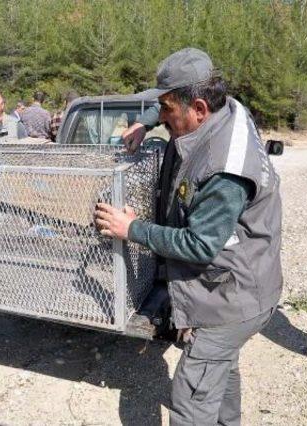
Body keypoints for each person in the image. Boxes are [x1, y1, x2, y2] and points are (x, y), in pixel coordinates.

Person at [95, 48, 283, 425]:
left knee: (191, 398)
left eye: (166, 111)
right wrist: (145, 123)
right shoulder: (226, 106)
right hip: (249, 284)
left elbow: (200, 245)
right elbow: (172, 103)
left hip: (232, 296)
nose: (163, 117)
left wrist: (132, 229)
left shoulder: (224, 170)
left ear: (198, 107)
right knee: (220, 372)